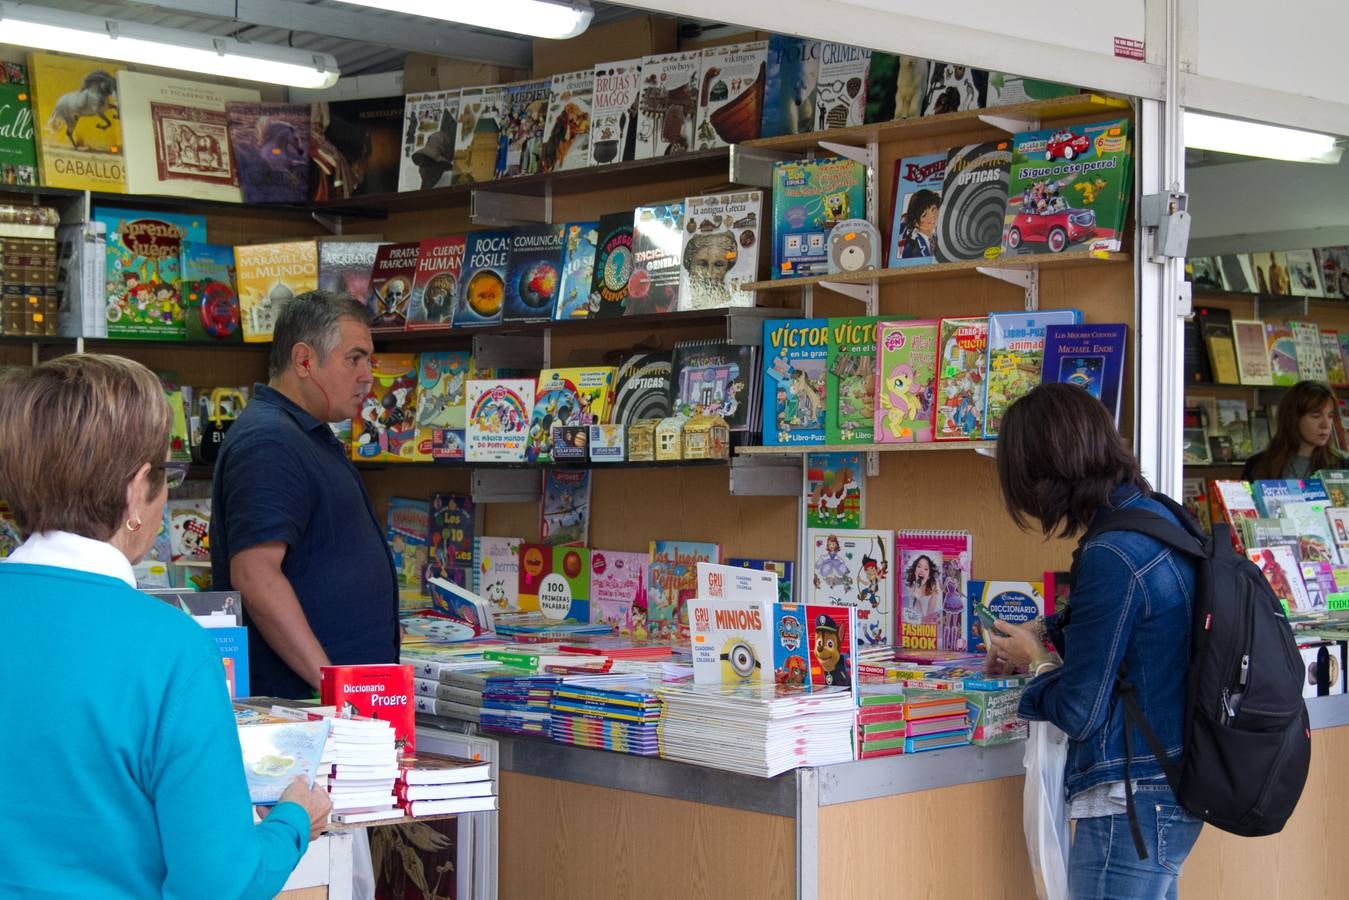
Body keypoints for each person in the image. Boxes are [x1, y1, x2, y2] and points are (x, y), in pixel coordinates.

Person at [0, 355, 330, 897]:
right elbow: (220, 885)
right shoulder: (170, 650)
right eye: (165, 475)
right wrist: (293, 821)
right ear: (135, 492)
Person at [983, 382, 1201, 898]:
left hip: (1128, 801)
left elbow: (1080, 710)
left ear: (1043, 472)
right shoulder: (1158, 515)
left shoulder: (1112, 553)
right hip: (1169, 782)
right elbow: (1141, 633)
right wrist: (1051, 631)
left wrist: (1036, 661)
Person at [211, 290, 398, 699]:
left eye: (369, 359)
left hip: (332, 706)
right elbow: (256, 574)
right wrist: (333, 685)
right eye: (355, 358)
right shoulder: (270, 441)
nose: (368, 375)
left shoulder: (302, 433)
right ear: (303, 360)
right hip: (304, 712)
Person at [1242, 380, 1342, 480]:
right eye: (1316, 416)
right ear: (1294, 418)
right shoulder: (1258, 465)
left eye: (1330, 416)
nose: (1325, 425)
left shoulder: (1342, 465)